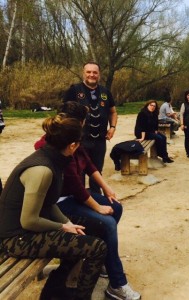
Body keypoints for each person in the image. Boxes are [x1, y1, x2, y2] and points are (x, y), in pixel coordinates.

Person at [35, 102, 141, 300]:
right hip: (57, 203)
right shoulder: (55, 143)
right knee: (107, 222)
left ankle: (101, 257)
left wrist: (107, 188)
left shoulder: (74, 138)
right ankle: (117, 284)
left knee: (116, 208)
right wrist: (97, 207)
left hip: (74, 195)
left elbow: (89, 165)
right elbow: (74, 181)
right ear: (80, 122)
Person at [0, 114, 107, 300]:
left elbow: (48, 204)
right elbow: (29, 220)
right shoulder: (42, 170)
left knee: (95, 227)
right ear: (73, 146)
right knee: (97, 248)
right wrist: (62, 226)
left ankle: (54, 292)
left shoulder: (52, 158)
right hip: (15, 239)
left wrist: (67, 222)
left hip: (26, 230)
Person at [63, 61, 118, 194]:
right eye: (88, 72)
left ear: (99, 74)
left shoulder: (105, 91)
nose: (91, 75)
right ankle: (80, 199)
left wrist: (112, 127)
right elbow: (63, 114)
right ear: (84, 73)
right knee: (79, 171)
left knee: (97, 170)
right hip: (79, 141)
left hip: (100, 140)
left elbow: (113, 112)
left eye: (95, 72)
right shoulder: (74, 91)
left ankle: (96, 196)